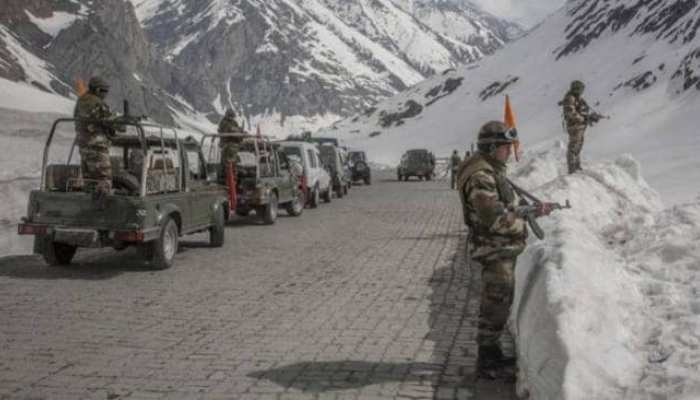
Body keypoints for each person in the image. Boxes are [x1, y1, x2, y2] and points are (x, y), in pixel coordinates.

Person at [457, 121, 553, 379]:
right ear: (491, 147)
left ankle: (493, 353)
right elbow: (494, 218)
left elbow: (505, 205)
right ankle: (487, 361)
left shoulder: (491, 171)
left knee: (498, 302)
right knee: (494, 304)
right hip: (493, 250)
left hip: (498, 249)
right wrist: (523, 217)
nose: (509, 151)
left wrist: (531, 209)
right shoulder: (482, 176)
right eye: (504, 147)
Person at [74, 76, 118, 201]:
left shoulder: (81, 101)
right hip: (97, 147)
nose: (106, 95)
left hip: (84, 147)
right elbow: (111, 123)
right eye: (104, 91)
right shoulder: (98, 103)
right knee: (104, 181)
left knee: (89, 182)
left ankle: (87, 211)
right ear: (98, 90)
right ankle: (104, 213)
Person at [561, 80, 590, 174]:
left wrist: (588, 117)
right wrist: (582, 118)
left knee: (578, 145)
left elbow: (583, 109)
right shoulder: (570, 98)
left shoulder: (577, 98)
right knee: (573, 147)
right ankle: (572, 169)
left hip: (578, 126)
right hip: (574, 126)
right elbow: (570, 113)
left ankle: (577, 166)